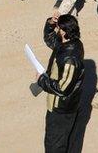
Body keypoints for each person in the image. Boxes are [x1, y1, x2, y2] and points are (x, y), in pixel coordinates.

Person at [38, 14, 85, 153]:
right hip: (63, 107)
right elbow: (49, 39)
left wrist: (42, 80)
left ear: (63, 32)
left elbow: (63, 88)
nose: (57, 30)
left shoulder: (70, 57)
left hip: (61, 109)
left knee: (55, 144)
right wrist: (50, 23)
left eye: (58, 27)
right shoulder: (67, 43)